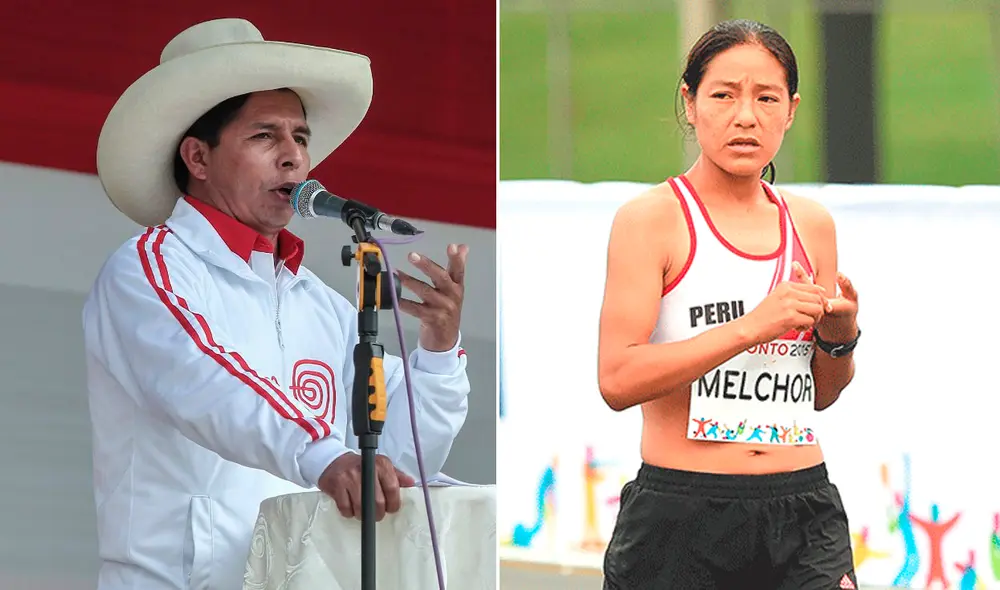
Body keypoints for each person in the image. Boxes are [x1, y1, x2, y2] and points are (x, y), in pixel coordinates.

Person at [83, 19, 472, 590]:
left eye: (301, 138)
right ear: (198, 157)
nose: (293, 157)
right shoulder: (149, 268)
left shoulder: (319, 303)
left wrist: (438, 352)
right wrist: (321, 455)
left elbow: (400, 463)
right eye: (265, 136)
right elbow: (209, 383)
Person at [598, 19, 861, 590]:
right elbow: (617, 379)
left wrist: (840, 337)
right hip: (681, 515)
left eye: (766, 98)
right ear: (690, 103)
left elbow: (820, 393)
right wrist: (751, 327)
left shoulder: (811, 224)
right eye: (723, 95)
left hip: (803, 509)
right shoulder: (651, 220)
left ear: (791, 110)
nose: (746, 117)